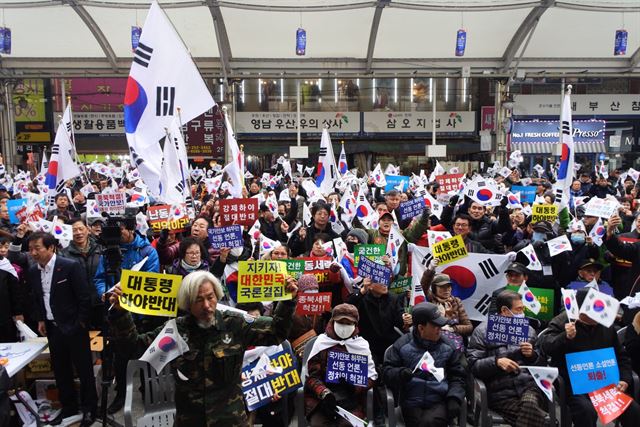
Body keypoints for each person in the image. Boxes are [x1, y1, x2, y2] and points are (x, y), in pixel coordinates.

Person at [108, 270, 299, 426]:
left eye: (210, 297)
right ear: (187, 303)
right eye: (199, 300)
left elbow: (276, 332)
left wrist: (288, 300)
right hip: (190, 420)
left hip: (230, 419)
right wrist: (121, 313)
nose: (207, 306)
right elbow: (134, 349)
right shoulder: (175, 332)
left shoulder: (235, 324)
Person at [538, 288, 640, 427]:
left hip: (605, 384)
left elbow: (621, 356)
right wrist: (565, 337)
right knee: (586, 411)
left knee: (633, 409)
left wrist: (624, 379)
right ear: (581, 310)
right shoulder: (564, 322)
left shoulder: (606, 326)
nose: (598, 316)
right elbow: (545, 347)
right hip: (575, 386)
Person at [27, 231, 97, 426]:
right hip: (52, 328)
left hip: (74, 327)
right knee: (61, 371)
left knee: (84, 370)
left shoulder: (69, 266)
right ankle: (69, 408)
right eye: (31, 249)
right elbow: (37, 297)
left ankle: (90, 408)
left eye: (37, 248)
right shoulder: (33, 271)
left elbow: (84, 298)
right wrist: (41, 319)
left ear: (51, 247)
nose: (33, 253)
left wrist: (80, 324)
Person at [93, 219, 160, 414]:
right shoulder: (108, 253)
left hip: (142, 315)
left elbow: (151, 282)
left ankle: (149, 393)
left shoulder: (146, 251)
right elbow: (99, 278)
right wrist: (105, 294)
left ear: (131, 229)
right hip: (117, 314)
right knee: (120, 360)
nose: (117, 234)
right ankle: (121, 394)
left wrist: (127, 293)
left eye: (120, 229)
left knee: (148, 356)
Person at [466, 290, 549, 427]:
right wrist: (496, 362)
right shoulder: (482, 331)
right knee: (535, 415)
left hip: (528, 387)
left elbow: (542, 363)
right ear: (504, 311)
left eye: (523, 308)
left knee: (529, 403)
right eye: (519, 309)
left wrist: (532, 355)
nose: (522, 313)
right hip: (499, 392)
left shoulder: (528, 330)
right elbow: (473, 365)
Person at [383, 302, 466, 427]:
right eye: (435, 326)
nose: (440, 329)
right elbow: (386, 372)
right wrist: (400, 374)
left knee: (430, 422)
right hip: (411, 401)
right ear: (421, 328)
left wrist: (454, 397)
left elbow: (458, 376)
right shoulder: (402, 345)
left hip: (439, 401)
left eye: (441, 325)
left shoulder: (449, 346)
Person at [304, 303, 377, 426]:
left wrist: (354, 387)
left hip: (351, 401)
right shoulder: (321, 343)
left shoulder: (361, 346)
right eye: (340, 323)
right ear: (332, 322)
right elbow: (312, 377)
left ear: (355, 325)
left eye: (348, 324)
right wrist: (324, 393)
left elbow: (371, 377)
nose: (344, 327)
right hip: (320, 401)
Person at [347, 277, 405, 426]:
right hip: (366, 345)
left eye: (386, 280)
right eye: (381, 281)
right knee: (371, 377)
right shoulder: (361, 298)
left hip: (389, 345)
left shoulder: (393, 298)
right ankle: (376, 411)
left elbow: (399, 321)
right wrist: (362, 291)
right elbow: (347, 308)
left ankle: (395, 406)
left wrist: (406, 320)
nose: (385, 284)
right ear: (371, 285)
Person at [59, 218, 105, 329]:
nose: (78, 233)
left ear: (88, 229)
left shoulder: (101, 249)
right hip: (78, 308)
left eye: (81, 229)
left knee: (102, 341)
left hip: (101, 304)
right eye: (74, 230)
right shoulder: (63, 255)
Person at [424, 272, 473, 350]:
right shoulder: (430, 300)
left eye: (448, 286)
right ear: (434, 288)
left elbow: (469, 327)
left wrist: (453, 328)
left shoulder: (456, 301)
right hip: (434, 345)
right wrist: (431, 269)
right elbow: (423, 286)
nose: (446, 290)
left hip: (456, 346)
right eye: (442, 287)